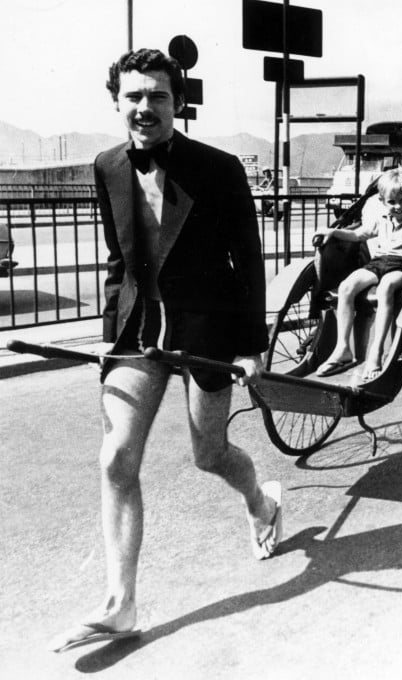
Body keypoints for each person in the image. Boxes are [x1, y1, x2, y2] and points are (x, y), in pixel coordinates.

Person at [49, 48, 281, 653]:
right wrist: (109, 335)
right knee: (115, 459)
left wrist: (252, 346)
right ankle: (121, 603)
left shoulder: (219, 168)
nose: (144, 107)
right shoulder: (105, 166)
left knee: (210, 454)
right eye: (134, 96)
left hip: (207, 330)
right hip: (135, 333)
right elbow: (117, 259)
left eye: (157, 95)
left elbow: (249, 263)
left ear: (178, 102)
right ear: (117, 101)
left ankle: (261, 501)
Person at [314, 168, 402, 381]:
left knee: (386, 287)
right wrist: (333, 232)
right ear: (382, 201)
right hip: (379, 261)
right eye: (391, 202)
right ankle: (343, 349)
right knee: (347, 286)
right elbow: (359, 234)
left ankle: (376, 352)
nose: (398, 207)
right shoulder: (382, 217)